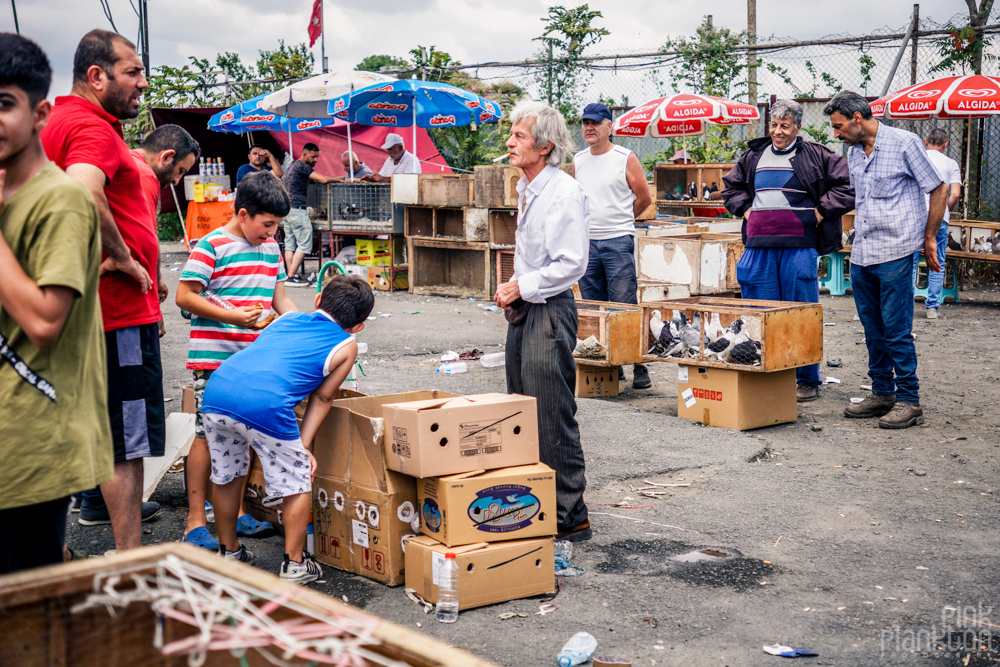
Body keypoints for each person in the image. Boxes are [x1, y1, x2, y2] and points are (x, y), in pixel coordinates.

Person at [41, 29, 164, 549]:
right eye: (133, 72)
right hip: (115, 314)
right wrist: (120, 253)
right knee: (125, 441)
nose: (142, 83)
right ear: (98, 76)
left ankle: (55, 548)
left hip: (73, 309)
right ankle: (128, 559)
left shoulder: (56, 123)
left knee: (70, 430)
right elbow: (84, 189)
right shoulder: (92, 127)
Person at [0, 33, 113, 574]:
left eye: (4, 104)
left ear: (41, 112)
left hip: (31, 445)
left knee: (23, 617)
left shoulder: (59, 199)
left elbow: (45, 320)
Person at [200, 273, 373, 582]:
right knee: (296, 481)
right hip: (264, 405)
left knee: (227, 474)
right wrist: (303, 447)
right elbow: (322, 396)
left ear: (318, 299)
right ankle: (294, 564)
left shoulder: (286, 318)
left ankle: (228, 553)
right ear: (358, 326)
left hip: (218, 392)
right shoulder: (347, 344)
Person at [175, 171, 297, 550]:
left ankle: (237, 511)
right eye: (267, 224)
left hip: (251, 363)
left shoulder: (271, 251)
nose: (272, 233)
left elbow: (282, 302)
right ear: (243, 214)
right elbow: (184, 296)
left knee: (239, 437)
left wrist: (305, 330)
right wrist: (235, 317)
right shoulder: (211, 245)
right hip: (213, 360)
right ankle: (195, 518)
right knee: (204, 436)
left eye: (277, 226)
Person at [494, 101, 592, 542]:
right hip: (529, 305)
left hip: (550, 309)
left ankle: (571, 514)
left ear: (545, 146)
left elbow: (572, 264)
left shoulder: (563, 192)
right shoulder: (527, 188)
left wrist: (522, 285)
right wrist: (513, 285)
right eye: (511, 134)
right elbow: (531, 254)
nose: (510, 142)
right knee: (521, 406)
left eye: (519, 136)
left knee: (550, 412)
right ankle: (535, 502)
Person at [824, 91, 947, 429]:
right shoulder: (853, 152)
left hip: (896, 249)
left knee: (896, 328)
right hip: (863, 252)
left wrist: (930, 238)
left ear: (857, 119)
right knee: (872, 328)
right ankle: (882, 393)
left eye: (838, 126)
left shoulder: (904, 143)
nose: (836, 133)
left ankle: (909, 399)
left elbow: (938, 188)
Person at [722, 99, 855, 402]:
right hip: (759, 247)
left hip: (799, 247)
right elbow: (731, 188)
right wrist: (746, 211)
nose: (778, 131)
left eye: (784, 125)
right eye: (773, 124)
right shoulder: (754, 155)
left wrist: (819, 213)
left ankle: (807, 379)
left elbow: (847, 187)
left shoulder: (817, 155)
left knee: (800, 314)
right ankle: (763, 373)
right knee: (758, 313)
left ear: (798, 126)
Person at [572, 102, 653, 389]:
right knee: (595, 307)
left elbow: (644, 198)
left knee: (623, 304)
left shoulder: (624, 157)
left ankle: (639, 366)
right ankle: (611, 366)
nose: (589, 128)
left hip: (618, 240)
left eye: (595, 123)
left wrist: (621, 221)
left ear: (610, 127)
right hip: (588, 243)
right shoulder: (578, 160)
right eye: (585, 123)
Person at [132, 124, 200, 337]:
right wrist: (153, 308)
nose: (177, 180)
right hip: (132, 307)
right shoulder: (143, 174)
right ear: (166, 157)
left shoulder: (128, 161)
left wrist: (157, 277)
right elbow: (142, 242)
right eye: (180, 171)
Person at [915, 128, 962, 319]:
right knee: (937, 261)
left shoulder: (917, 159)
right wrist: (943, 209)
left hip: (915, 215)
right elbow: (956, 193)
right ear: (945, 144)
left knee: (909, 261)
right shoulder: (951, 163)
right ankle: (932, 307)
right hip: (939, 218)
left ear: (926, 141)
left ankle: (905, 305)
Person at [282, 142, 337, 286]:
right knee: (305, 243)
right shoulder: (302, 166)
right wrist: (340, 179)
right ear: (304, 154)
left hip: (286, 209)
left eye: (318, 157)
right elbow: (323, 179)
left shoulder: (292, 165)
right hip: (297, 209)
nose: (316, 160)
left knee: (290, 243)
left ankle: (289, 275)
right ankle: (292, 275)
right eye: (313, 156)